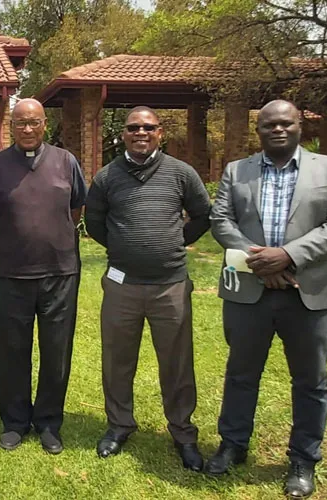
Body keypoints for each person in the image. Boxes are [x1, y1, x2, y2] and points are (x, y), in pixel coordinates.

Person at [205, 100, 327, 498]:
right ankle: (232, 445)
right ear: (259, 131)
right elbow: (220, 220)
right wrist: (261, 261)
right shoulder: (238, 170)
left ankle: (303, 459)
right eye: (269, 125)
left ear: (299, 126)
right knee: (241, 374)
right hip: (250, 292)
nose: (277, 130)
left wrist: (288, 256)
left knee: (310, 380)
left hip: (306, 293)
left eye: (285, 123)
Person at [84, 107, 211, 471]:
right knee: (118, 361)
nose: (141, 132)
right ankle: (119, 424)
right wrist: (124, 247)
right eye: (133, 127)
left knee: (177, 363)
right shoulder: (107, 177)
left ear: (161, 132)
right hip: (122, 286)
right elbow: (94, 222)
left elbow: (203, 215)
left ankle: (183, 432)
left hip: (170, 286)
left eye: (148, 127)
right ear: (122, 134)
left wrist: (174, 242)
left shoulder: (180, 173)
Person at [0, 98, 86, 454]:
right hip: (11, 274)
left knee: (57, 351)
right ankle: (14, 422)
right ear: (11, 125)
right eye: (20, 123)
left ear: (44, 125)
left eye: (33, 123)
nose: (27, 129)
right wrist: (13, 240)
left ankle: (49, 422)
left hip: (60, 273)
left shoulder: (66, 161)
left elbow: (76, 208)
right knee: (11, 351)